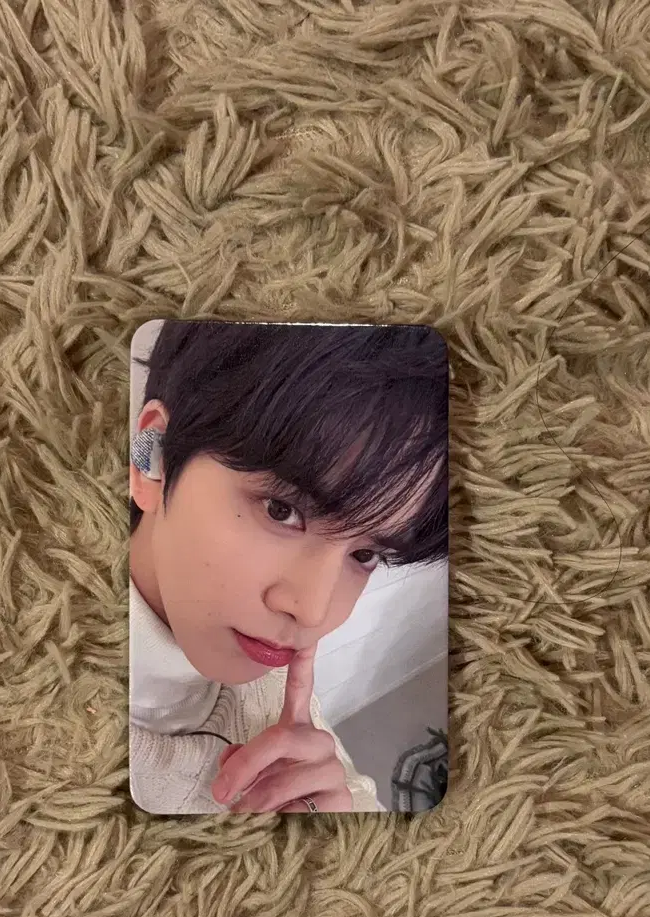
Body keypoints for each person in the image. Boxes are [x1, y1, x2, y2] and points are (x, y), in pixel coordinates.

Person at [128, 320, 448, 815]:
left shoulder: (277, 688)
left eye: (365, 555)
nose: (313, 611)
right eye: (282, 511)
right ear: (152, 458)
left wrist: (338, 811)